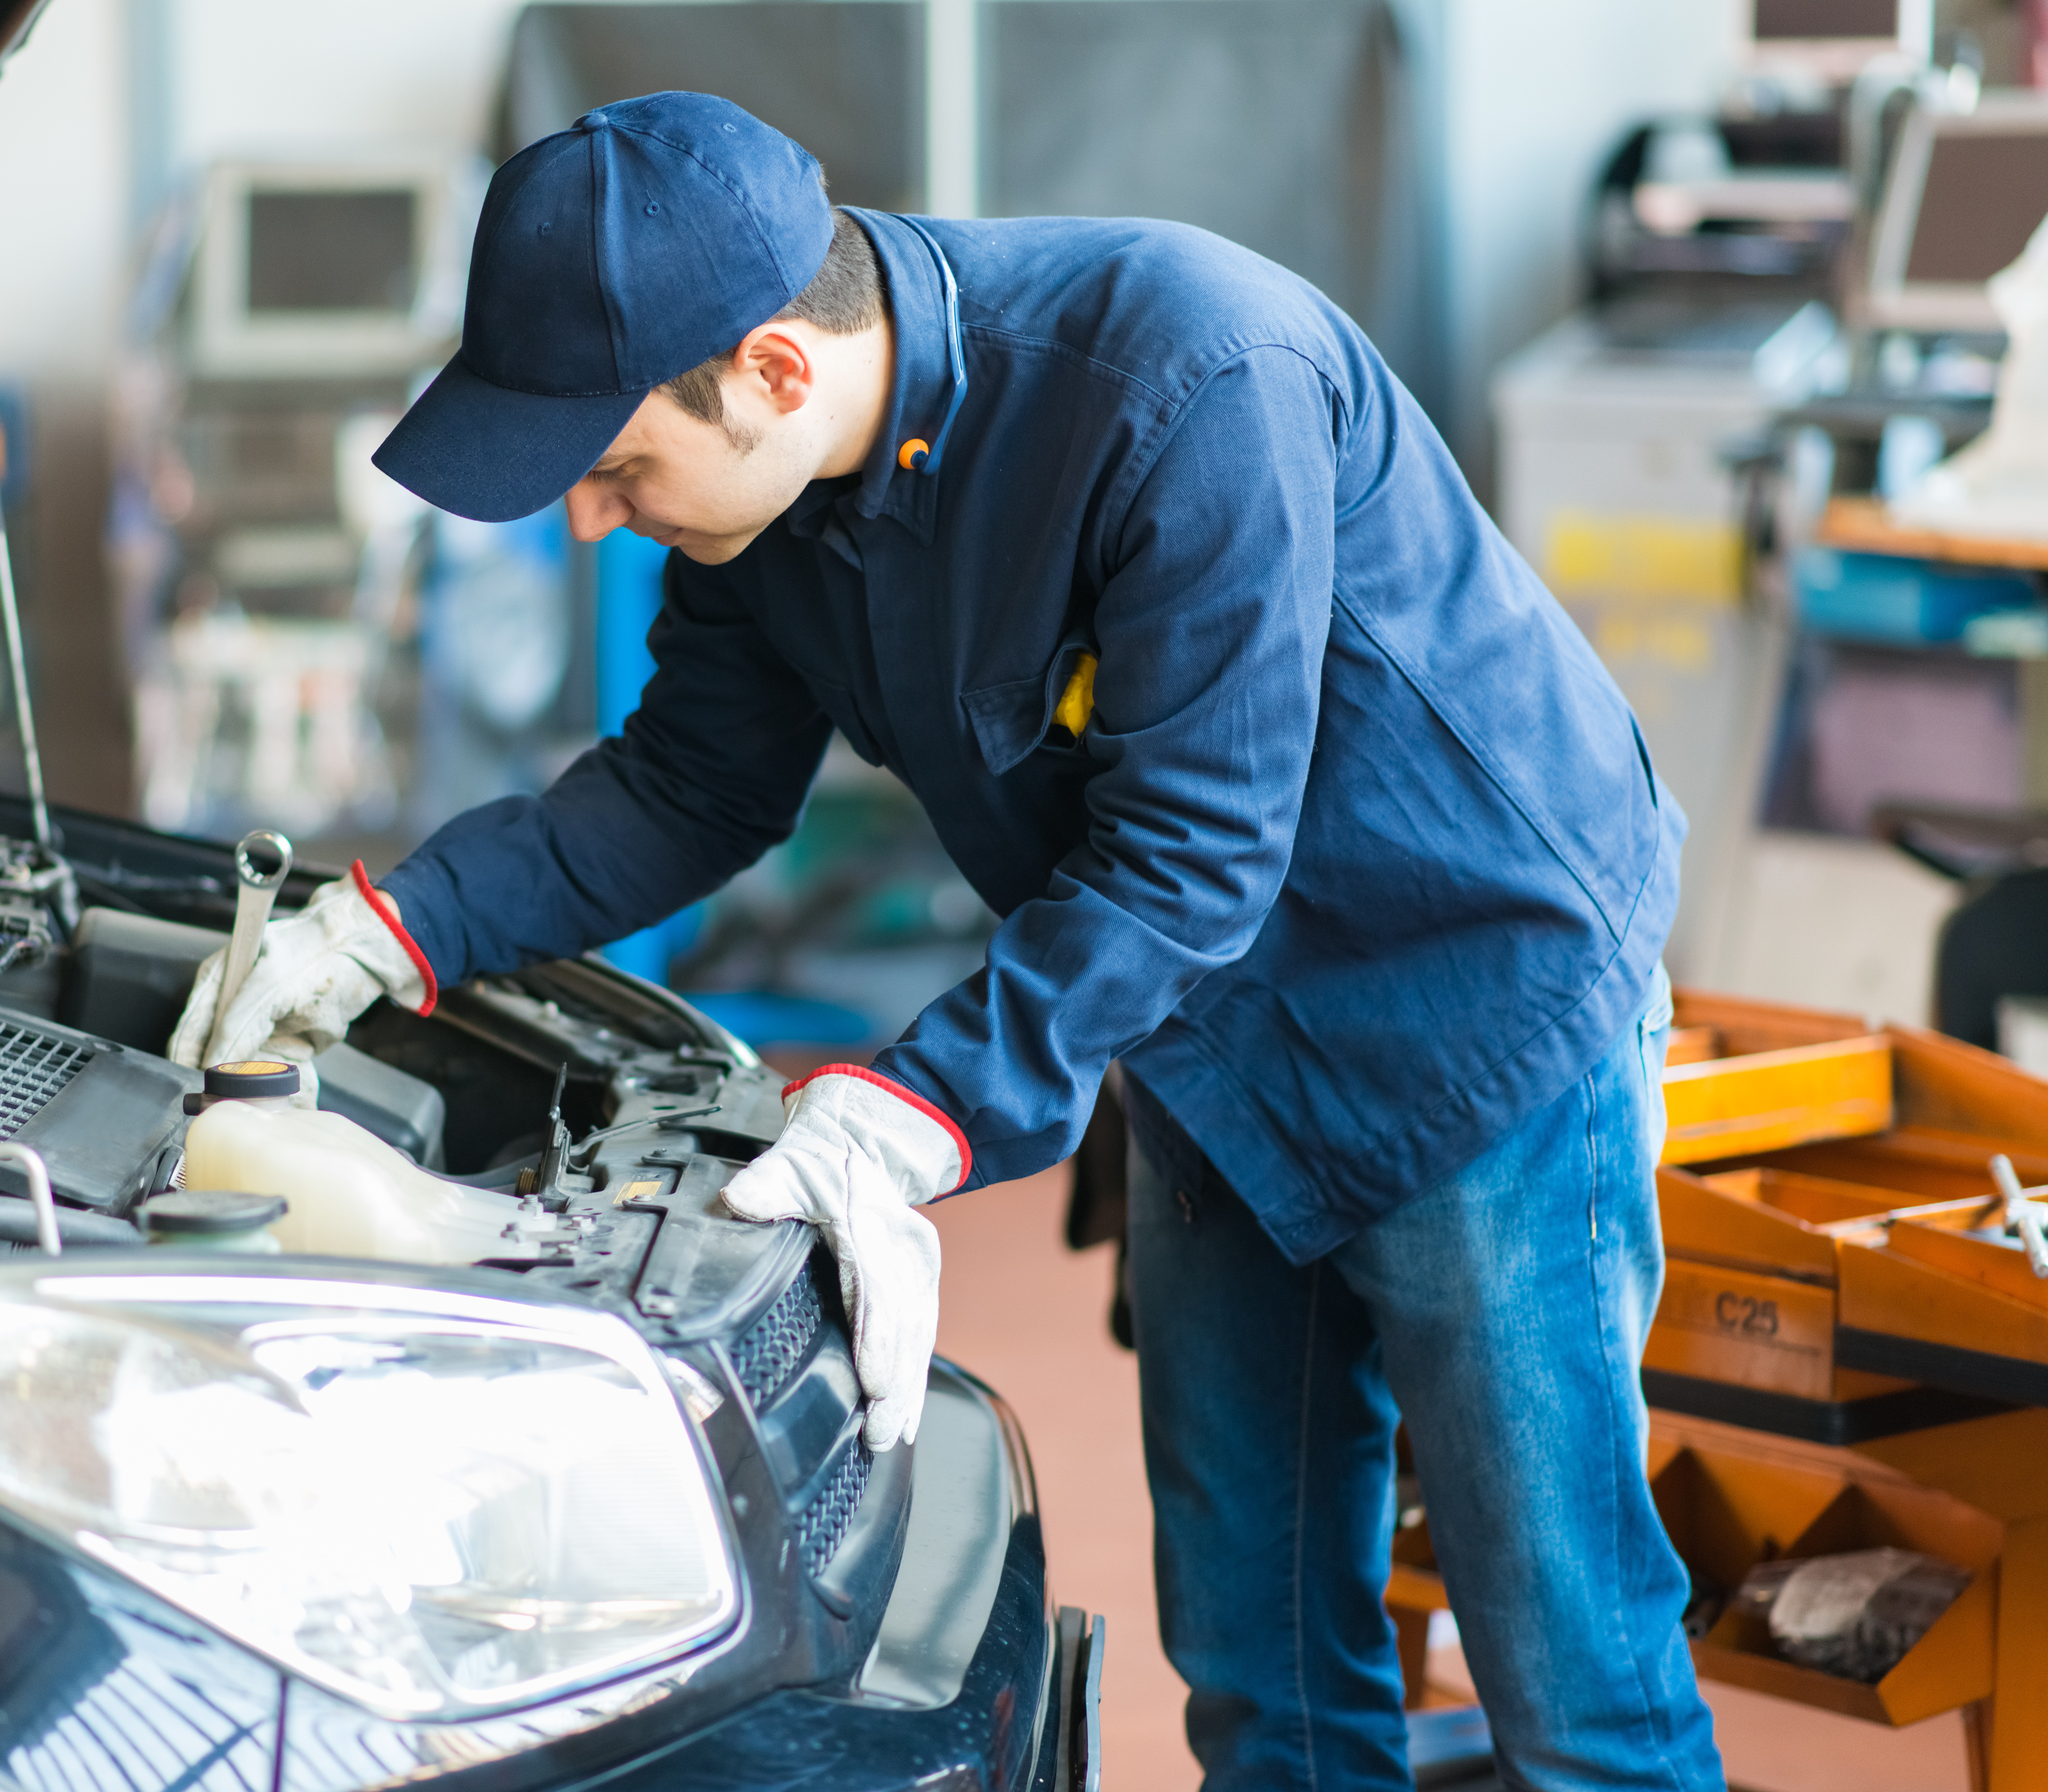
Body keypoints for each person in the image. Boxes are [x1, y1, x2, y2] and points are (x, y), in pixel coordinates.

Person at [166, 90, 1723, 1791]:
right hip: (1204, 1045)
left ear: (771, 367)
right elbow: (691, 783)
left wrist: (912, 1110)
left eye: (615, 465)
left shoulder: (1189, 381)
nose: (593, 521)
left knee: (1575, 1681)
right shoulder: (766, 509)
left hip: (1473, 1010)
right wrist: (396, 929)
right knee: (1261, 1674)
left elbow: (1199, 844)